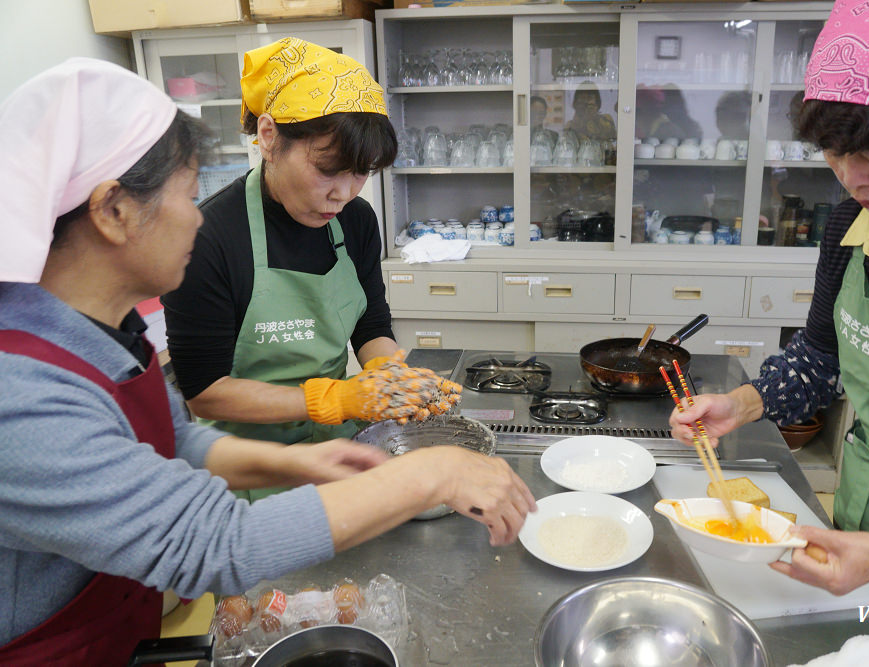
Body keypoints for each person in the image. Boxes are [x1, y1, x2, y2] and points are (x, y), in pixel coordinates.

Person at [0, 58, 535, 665]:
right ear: (113, 209)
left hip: (123, 621)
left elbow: (173, 443)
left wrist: (304, 458)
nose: (198, 215)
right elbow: (215, 542)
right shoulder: (18, 391)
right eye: (186, 192)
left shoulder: (98, 328)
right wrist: (428, 473)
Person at [669, 0, 869, 658]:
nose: (851, 177)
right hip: (851, 533)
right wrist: (738, 404)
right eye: (833, 151)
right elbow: (821, 356)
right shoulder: (851, 222)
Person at [162, 39, 461, 500]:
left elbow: (370, 322)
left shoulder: (356, 221)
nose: (343, 193)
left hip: (338, 451)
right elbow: (204, 391)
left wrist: (388, 376)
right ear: (268, 136)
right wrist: (336, 398)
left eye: (361, 172)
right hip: (247, 470)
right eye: (328, 169)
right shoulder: (209, 238)